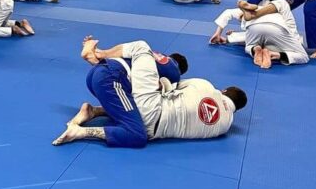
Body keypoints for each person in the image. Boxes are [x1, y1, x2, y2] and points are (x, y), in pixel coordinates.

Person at [53, 40, 247, 146]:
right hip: (153, 127)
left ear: (223, 90)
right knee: (135, 121)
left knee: (141, 47)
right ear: (234, 110)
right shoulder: (224, 126)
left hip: (132, 95)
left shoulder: (204, 85)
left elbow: (170, 87)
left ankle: (98, 56)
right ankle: (92, 116)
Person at [48, 37, 187, 148]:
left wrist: (102, 54)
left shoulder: (151, 55)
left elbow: (125, 50)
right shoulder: (173, 70)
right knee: (136, 134)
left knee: (135, 106)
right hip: (111, 80)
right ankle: (80, 132)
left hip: (99, 74)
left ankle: (93, 111)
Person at [210, 0, 308, 68]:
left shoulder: (254, 10)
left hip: (253, 27)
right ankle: (274, 54)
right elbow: (291, 32)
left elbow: (228, 12)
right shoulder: (281, 12)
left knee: (251, 45)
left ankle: (254, 49)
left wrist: (222, 35)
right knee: (303, 57)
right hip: (276, 26)